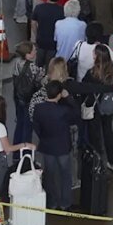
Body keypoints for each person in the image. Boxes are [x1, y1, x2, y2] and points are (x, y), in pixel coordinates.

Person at [74, 46, 113, 172]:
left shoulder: (92, 73)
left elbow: (85, 86)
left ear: (96, 56)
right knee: (108, 131)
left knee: (95, 135)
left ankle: (98, 162)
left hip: (95, 107)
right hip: (108, 106)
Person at [32, 81, 78, 211]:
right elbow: (76, 114)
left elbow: (36, 127)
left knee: (49, 175)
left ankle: (51, 202)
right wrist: (68, 98)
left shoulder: (39, 108)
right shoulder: (63, 111)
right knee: (65, 176)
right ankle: (65, 202)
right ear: (59, 95)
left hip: (47, 146)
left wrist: (43, 137)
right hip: (62, 147)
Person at [30, 0, 65, 66]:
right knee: (50, 66)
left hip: (41, 40)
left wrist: (35, 35)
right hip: (53, 43)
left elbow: (33, 23)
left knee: (38, 65)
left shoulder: (39, 8)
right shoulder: (62, 11)